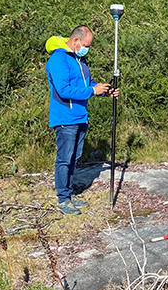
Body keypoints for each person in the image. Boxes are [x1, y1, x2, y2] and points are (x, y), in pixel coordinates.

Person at [46, 26, 119, 215]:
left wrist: (104, 91)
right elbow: (63, 90)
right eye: (86, 45)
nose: (87, 49)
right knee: (65, 158)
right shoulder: (58, 59)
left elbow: (88, 84)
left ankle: (70, 193)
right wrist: (91, 91)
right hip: (65, 118)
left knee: (75, 157)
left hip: (80, 116)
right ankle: (63, 199)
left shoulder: (80, 59)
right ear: (76, 41)